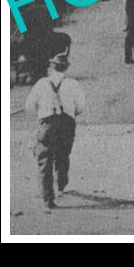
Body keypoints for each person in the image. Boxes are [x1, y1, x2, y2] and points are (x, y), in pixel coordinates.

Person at [24, 47, 85, 210]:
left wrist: (42, 114)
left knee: (44, 160)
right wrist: (70, 112)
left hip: (47, 124)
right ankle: (61, 184)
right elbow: (80, 107)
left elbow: (29, 106)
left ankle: (48, 199)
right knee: (63, 154)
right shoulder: (73, 84)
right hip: (67, 123)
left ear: (52, 67)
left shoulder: (41, 83)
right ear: (66, 68)